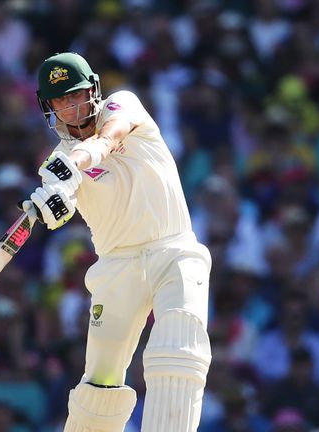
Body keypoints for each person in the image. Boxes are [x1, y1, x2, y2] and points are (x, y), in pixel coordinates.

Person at [23, 52, 212, 431]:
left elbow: (110, 135)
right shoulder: (55, 163)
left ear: (93, 89)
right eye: (62, 101)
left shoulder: (121, 103)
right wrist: (51, 203)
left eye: (77, 95)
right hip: (116, 267)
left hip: (174, 250)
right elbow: (62, 209)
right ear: (50, 108)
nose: (73, 108)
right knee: (100, 382)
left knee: (177, 344)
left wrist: (79, 158)